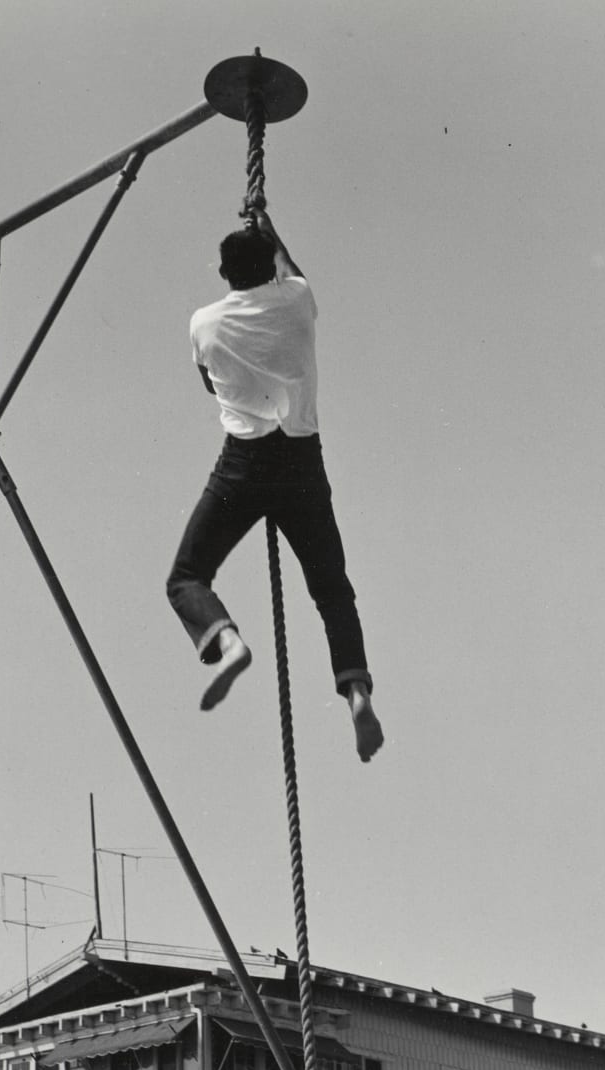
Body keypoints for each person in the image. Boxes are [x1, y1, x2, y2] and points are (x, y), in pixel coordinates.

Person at [167, 210, 384, 763]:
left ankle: (228, 640)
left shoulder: (204, 323)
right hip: (301, 463)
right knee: (331, 588)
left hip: (243, 462)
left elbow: (207, 384)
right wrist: (268, 223)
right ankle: (357, 692)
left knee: (188, 575)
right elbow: (294, 273)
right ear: (271, 268)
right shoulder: (295, 302)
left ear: (223, 271)